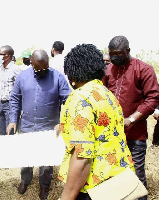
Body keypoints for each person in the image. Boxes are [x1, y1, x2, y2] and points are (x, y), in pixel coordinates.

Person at [57, 44, 135, 200]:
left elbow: (83, 157)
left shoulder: (80, 98)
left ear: (72, 75)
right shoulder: (106, 94)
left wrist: (66, 197)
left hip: (96, 188)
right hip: (120, 180)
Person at [7, 50, 71, 200]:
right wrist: (12, 120)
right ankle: (25, 180)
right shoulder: (22, 77)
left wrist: (62, 122)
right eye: (39, 69)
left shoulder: (57, 77)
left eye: (45, 68)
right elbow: (15, 99)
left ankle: (44, 186)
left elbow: (68, 101)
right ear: (31, 63)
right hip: (27, 125)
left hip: (49, 127)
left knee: (46, 160)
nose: (43, 71)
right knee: (26, 156)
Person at [102, 35, 159, 200]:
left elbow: (152, 99)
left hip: (135, 134)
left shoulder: (144, 69)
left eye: (119, 54)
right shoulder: (107, 70)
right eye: (112, 54)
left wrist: (131, 119)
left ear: (128, 51)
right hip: (111, 134)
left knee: (136, 174)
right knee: (112, 173)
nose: (114, 58)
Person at [0, 45, 22, 135]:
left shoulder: (15, 69)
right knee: (2, 131)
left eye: (0, 54)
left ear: (7, 56)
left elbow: (21, 88)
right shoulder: (1, 68)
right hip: (2, 103)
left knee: (10, 132)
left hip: (11, 104)